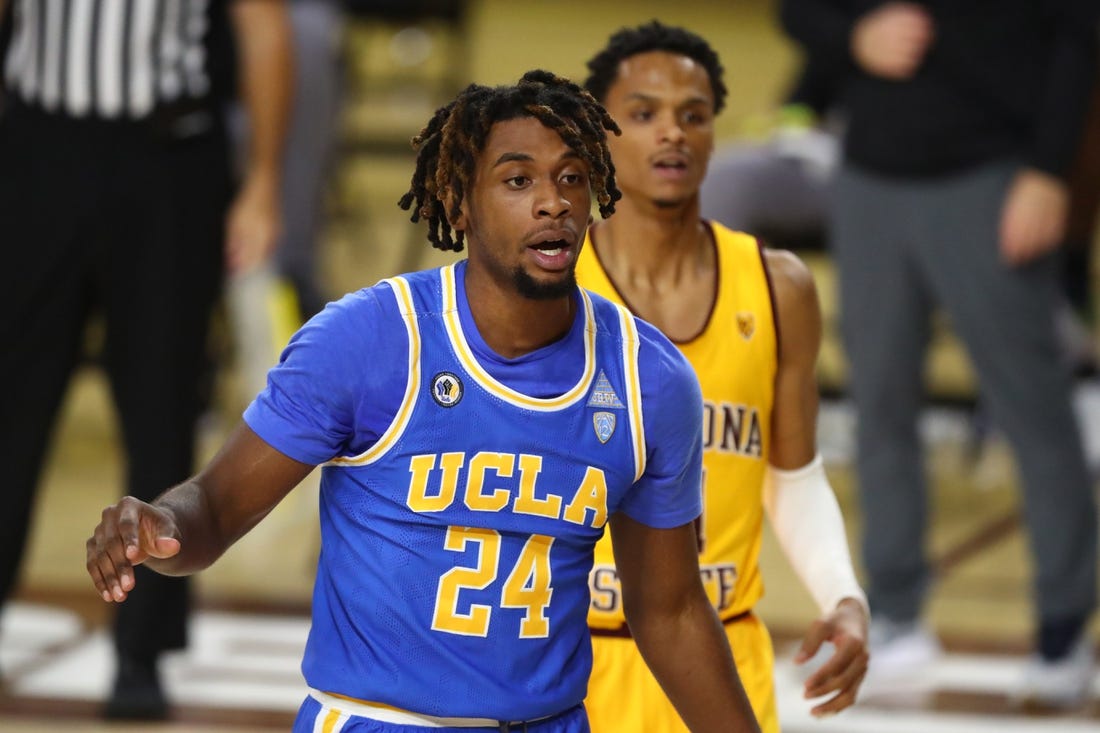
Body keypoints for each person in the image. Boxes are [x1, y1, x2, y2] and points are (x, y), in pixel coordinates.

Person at [85, 69, 765, 733]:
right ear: (459, 202)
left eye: (571, 178)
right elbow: (214, 509)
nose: (552, 201)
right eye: (518, 180)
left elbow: (669, 611)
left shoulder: (648, 379)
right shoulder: (369, 341)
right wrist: (157, 524)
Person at [779, 0, 1099, 708]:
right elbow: (797, 10)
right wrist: (854, 34)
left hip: (994, 175)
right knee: (880, 404)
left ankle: (1063, 630)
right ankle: (896, 618)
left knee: (1033, 408)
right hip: (868, 176)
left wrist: (1051, 170)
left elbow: (1082, 32)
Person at [0, 0, 291, 720]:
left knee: (162, 404)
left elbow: (263, 26)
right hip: (39, 142)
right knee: (8, 405)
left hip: (167, 156)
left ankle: (144, 647)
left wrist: (262, 181)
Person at [578, 22, 869, 733]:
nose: (671, 133)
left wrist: (842, 594)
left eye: (693, 115)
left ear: (713, 133)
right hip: (567, 660)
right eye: (643, 114)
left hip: (718, 654)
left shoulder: (778, 288)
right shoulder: (545, 284)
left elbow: (792, 476)